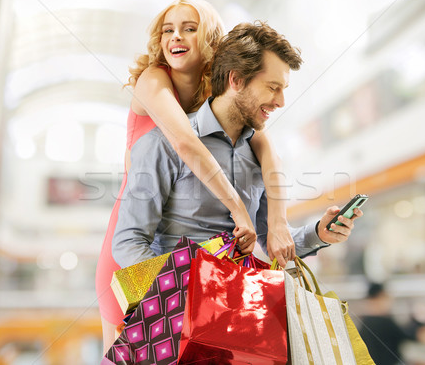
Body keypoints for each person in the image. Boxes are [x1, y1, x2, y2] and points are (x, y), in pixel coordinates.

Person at [95, 0, 297, 353]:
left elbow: (268, 151)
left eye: (190, 28)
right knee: (131, 346)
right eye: (168, 30)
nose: (177, 36)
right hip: (135, 233)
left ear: (210, 40)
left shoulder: (220, 95)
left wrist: (278, 222)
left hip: (204, 276)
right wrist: (238, 209)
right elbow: (186, 144)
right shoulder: (153, 80)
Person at [112, 22, 363, 270]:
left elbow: (271, 241)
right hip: (183, 305)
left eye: (283, 90)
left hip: (241, 304)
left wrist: (320, 233)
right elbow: (128, 243)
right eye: (273, 88)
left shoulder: (261, 158)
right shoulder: (162, 144)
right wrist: (184, 291)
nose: (281, 101)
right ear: (236, 80)